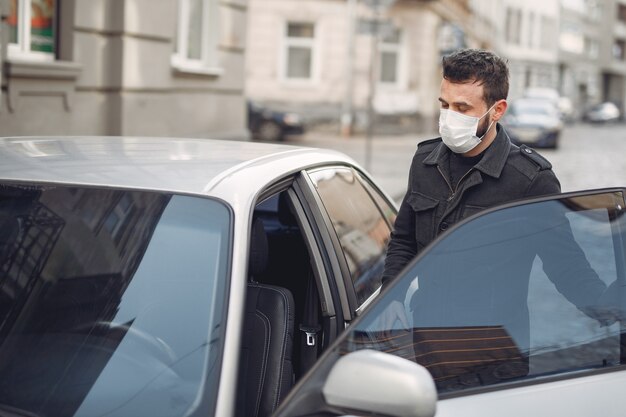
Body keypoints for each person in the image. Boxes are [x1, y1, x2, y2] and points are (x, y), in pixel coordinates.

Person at [382, 48, 561, 283]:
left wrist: (607, 307)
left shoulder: (531, 179)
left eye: (462, 108)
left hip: (492, 321)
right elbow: (404, 241)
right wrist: (391, 297)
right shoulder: (425, 161)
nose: (449, 116)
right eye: (445, 105)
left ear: (497, 110)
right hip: (426, 316)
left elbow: (564, 264)